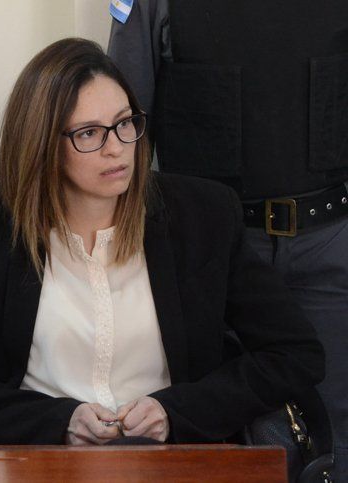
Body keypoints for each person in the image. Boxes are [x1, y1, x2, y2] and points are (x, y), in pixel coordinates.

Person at [0, 38, 324, 445]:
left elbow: (294, 354)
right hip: (36, 460)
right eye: (88, 133)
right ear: (41, 143)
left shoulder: (202, 215)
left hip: (173, 462)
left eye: (124, 123)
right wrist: (58, 421)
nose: (117, 148)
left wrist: (174, 413)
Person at [107, 2, 348, 476]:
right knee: (219, 434)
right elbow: (124, 118)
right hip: (212, 249)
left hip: (330, 242)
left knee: (338, 433)